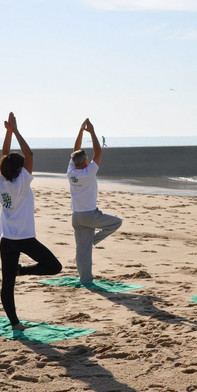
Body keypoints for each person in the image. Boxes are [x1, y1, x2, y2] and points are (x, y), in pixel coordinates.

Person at [0, 112, 63, 330]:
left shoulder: (1, 181)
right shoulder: (21, 183)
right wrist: (15, 131)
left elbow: (5, 156)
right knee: (54, 267)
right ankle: (22, 271)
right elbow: (30, 153)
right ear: (18, 170)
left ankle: (15, 324)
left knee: (7, 285)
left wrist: (8, 133)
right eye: (22, 166)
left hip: (7, 239)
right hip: (24, 239)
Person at [68, 119, 122, 285]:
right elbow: (98, 152)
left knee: (82, 250)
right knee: (116, 223)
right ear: (85, 161)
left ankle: (85, 279)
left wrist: (80, 131)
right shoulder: (89, 172)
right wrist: (91, 131)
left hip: (76, 217)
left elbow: (75, 151)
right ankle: (94, 240)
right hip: (90, 215)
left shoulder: (71, 171)